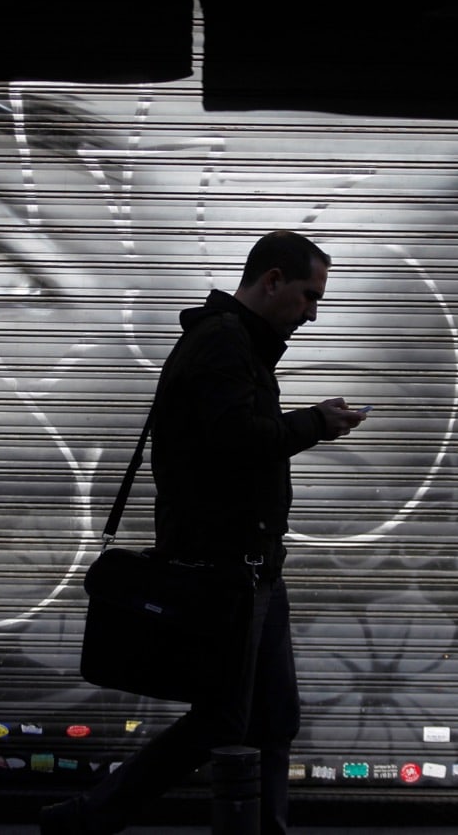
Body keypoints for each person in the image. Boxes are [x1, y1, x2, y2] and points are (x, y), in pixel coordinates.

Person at [40, 230, 366, 834]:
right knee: (221, 720)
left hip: (256, 567)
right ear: (272, 280)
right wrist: (314, 424)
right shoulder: (222, 341)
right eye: (307, 296)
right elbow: (234, 443)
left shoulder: (241, 342)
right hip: (225, 569)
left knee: (274, 719)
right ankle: (87, 818)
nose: (313, 314)